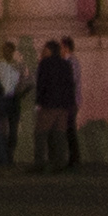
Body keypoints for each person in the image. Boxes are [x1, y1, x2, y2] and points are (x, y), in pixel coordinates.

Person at [33, 39, 75, 171]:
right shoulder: (66, 64)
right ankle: (60, 163)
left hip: (49, 104)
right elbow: (70, 85)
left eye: (44, 49)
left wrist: (38, 102)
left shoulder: (44, 64)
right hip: (63, 105)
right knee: (60, 135)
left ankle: (40, 163)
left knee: (40, 134)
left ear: (50, 50)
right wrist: (70, 103)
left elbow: (41, 84)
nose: (42, 52)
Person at [0, 40, 26, 168]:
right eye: (4, 50)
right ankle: (3, 156)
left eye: (8, 50)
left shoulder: (19, 66)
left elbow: (22, 82)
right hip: (1, 98)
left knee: (13, 129)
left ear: (12, 51)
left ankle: (9, 155)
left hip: (14, 98)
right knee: (1, 129)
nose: (5, 52)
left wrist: (20, 92)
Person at [60, 33, 84, 169]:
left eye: (61, 47)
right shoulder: (68, 62)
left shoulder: (72, 62)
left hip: (71, 101)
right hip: (69, 101)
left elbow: (72, 81)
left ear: (66, 48)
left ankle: (74, 158)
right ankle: (73, 158)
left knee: (70, 130)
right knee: (69, 130)